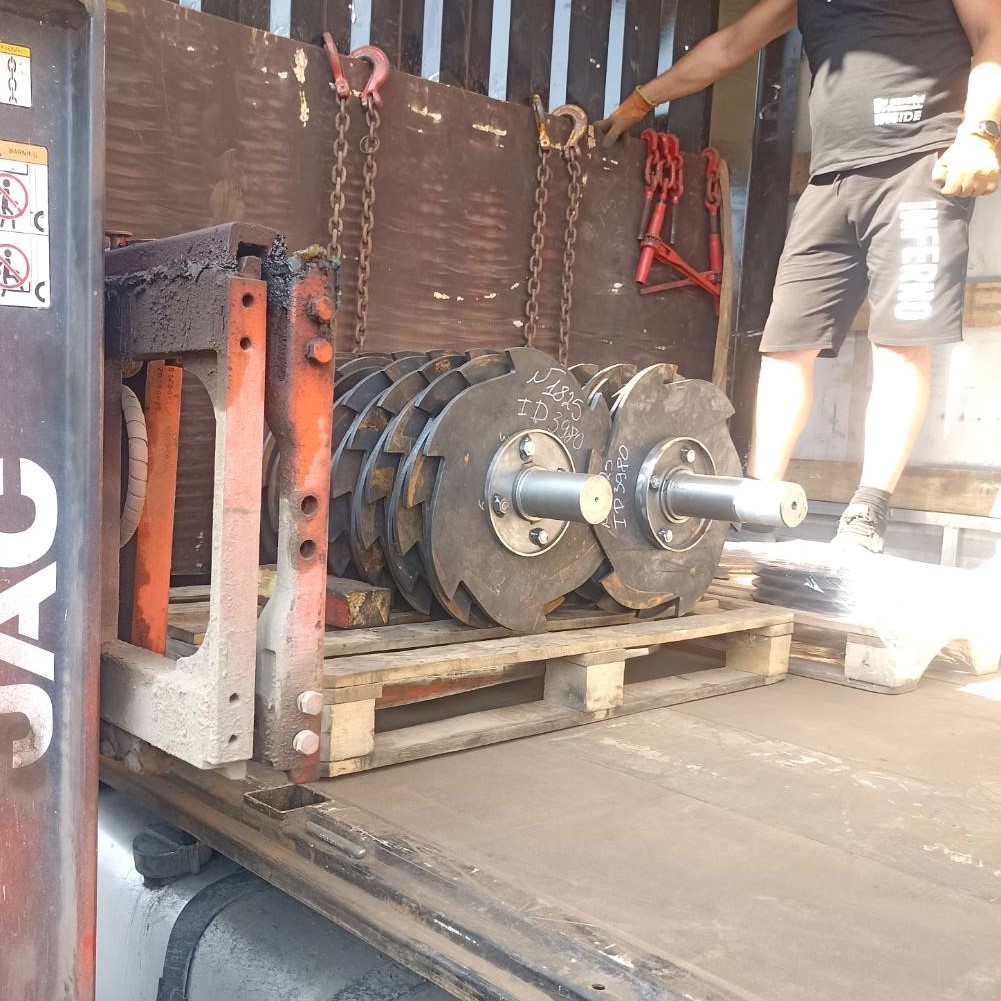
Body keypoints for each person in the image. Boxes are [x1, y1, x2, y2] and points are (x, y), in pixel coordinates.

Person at [596, 0, 1001, 553]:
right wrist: (644, 99)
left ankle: (866, 514)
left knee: (901, 344)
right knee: (786, 346)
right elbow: (731, 44)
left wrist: (981, 132)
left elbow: (992, 31)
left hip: (918, 162)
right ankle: (756, 507)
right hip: (830, 178)